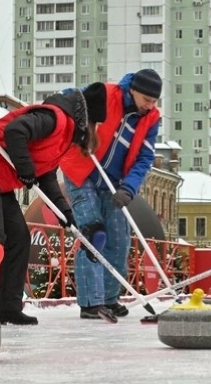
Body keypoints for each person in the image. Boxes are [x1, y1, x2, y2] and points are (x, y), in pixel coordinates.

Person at [0, 84, 106, 325]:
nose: (95, 131)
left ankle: (8, 307)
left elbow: (46, 176)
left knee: (19, 238)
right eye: (96, 125)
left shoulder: (64, 138)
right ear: (86, 119)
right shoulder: (53, 118)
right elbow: (15, 131)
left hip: (0, 181)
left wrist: (64, 212)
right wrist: (25, 170)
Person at [60, 69, 162, 321]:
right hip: (81, 172)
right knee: (95, 234)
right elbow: (68, 101)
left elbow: (145, 157)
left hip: (115, 182)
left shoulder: (151, 118)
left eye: (154, 102)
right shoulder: (106, 94)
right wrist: (78, 130)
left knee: (118, 240)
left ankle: (108, 298)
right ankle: (91, 302)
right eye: (146, 100)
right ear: (133, 91)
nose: (149, 106)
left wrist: (129, 188)